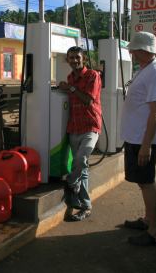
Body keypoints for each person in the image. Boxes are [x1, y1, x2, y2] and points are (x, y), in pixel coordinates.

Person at [120, 31, 156, 246]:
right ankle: (148, 220)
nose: (131, 52)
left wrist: (146, 146)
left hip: (143, 139)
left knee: (147, 183)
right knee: (142, 182)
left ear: (143, 50)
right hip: (137, 137)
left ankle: (155, 232)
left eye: (134, 49)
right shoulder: (146, 69)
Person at [58, 46, 102, 221]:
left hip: (91, 126)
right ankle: (86, 206)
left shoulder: (92, 75)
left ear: (83, 58)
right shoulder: (70, 78)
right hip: (74, 127)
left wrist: (71, 89)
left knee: (80, 159)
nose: (74, 60)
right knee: (82, 169)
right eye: (71, 58)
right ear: (67, 60)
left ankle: (69, 183)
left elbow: (88, 100)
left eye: (77, 57)